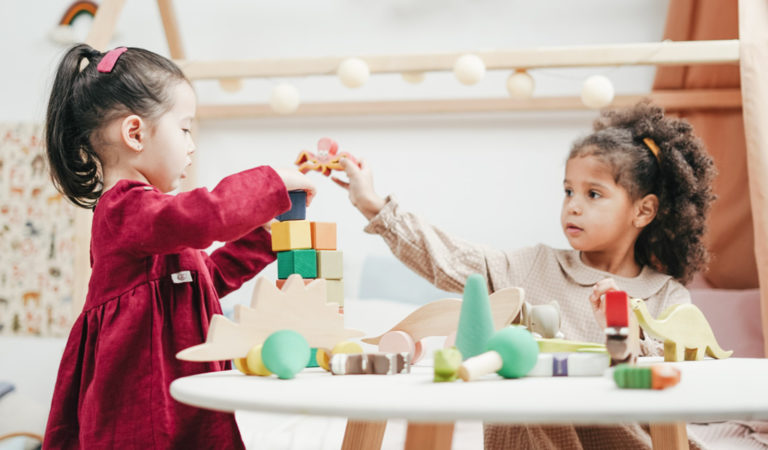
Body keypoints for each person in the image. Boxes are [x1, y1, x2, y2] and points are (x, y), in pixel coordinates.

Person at [334, 101, 717, 449]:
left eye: (593, 194)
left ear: (643, 211)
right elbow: (447, 258)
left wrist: (628, 335)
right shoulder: (532, 267)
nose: (573, 207)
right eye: (568, 191)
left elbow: (685, 379)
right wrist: (373, 206)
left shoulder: (667, 297)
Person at [43, 44, 315, 449]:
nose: (191, 145)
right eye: (184, 128)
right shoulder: (125, 209)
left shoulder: (156, 224)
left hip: (183, 396)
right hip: (142, 405)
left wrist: (268, 235)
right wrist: (271, 181)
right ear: (135, 133)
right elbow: (206, 216)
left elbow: (208, 278)